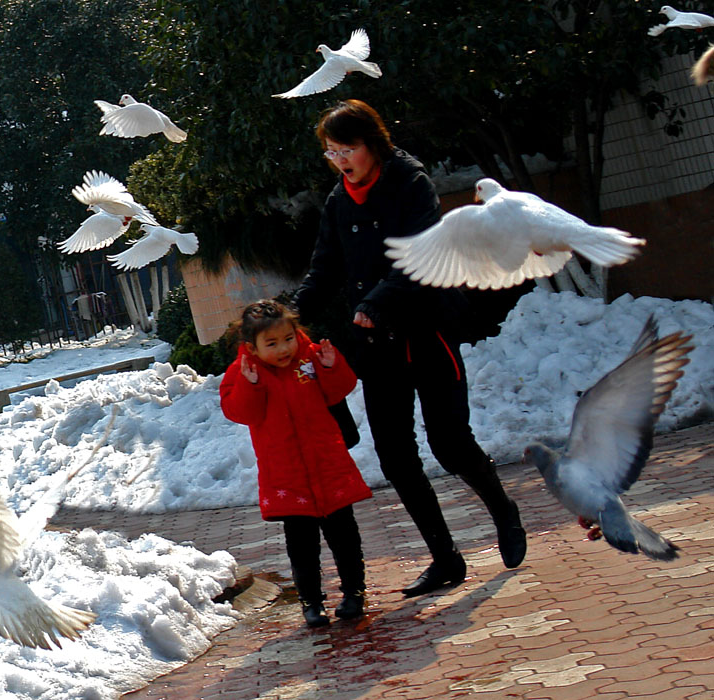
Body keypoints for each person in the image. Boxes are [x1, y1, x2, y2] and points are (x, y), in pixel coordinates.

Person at [293, 99, 527, 598]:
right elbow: (325, 266)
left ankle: (504, 510)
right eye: (331, 153)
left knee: (449, 441)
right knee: (396, 457)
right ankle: (445, 558)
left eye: (347, 149)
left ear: (372, 143)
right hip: (377, 346)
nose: (340, 160)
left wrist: (377, 302)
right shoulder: (339, 200)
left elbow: (424, 253)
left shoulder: (410, 182)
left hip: (426, 330)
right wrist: (292, 314)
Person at [219, 299, 372, 627]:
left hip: (327, 464)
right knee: (302, 545)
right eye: (271, 344)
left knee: (345, 536)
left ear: (296, 332)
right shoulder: (245, 372)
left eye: (288, 338)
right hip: (286, 474)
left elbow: (337, 391)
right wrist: (250, 384)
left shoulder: (311, 358)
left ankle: (354, 592)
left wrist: (332, 367)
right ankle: (311, 601)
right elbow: (240, 412)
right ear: (252, 347)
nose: (283, 348)